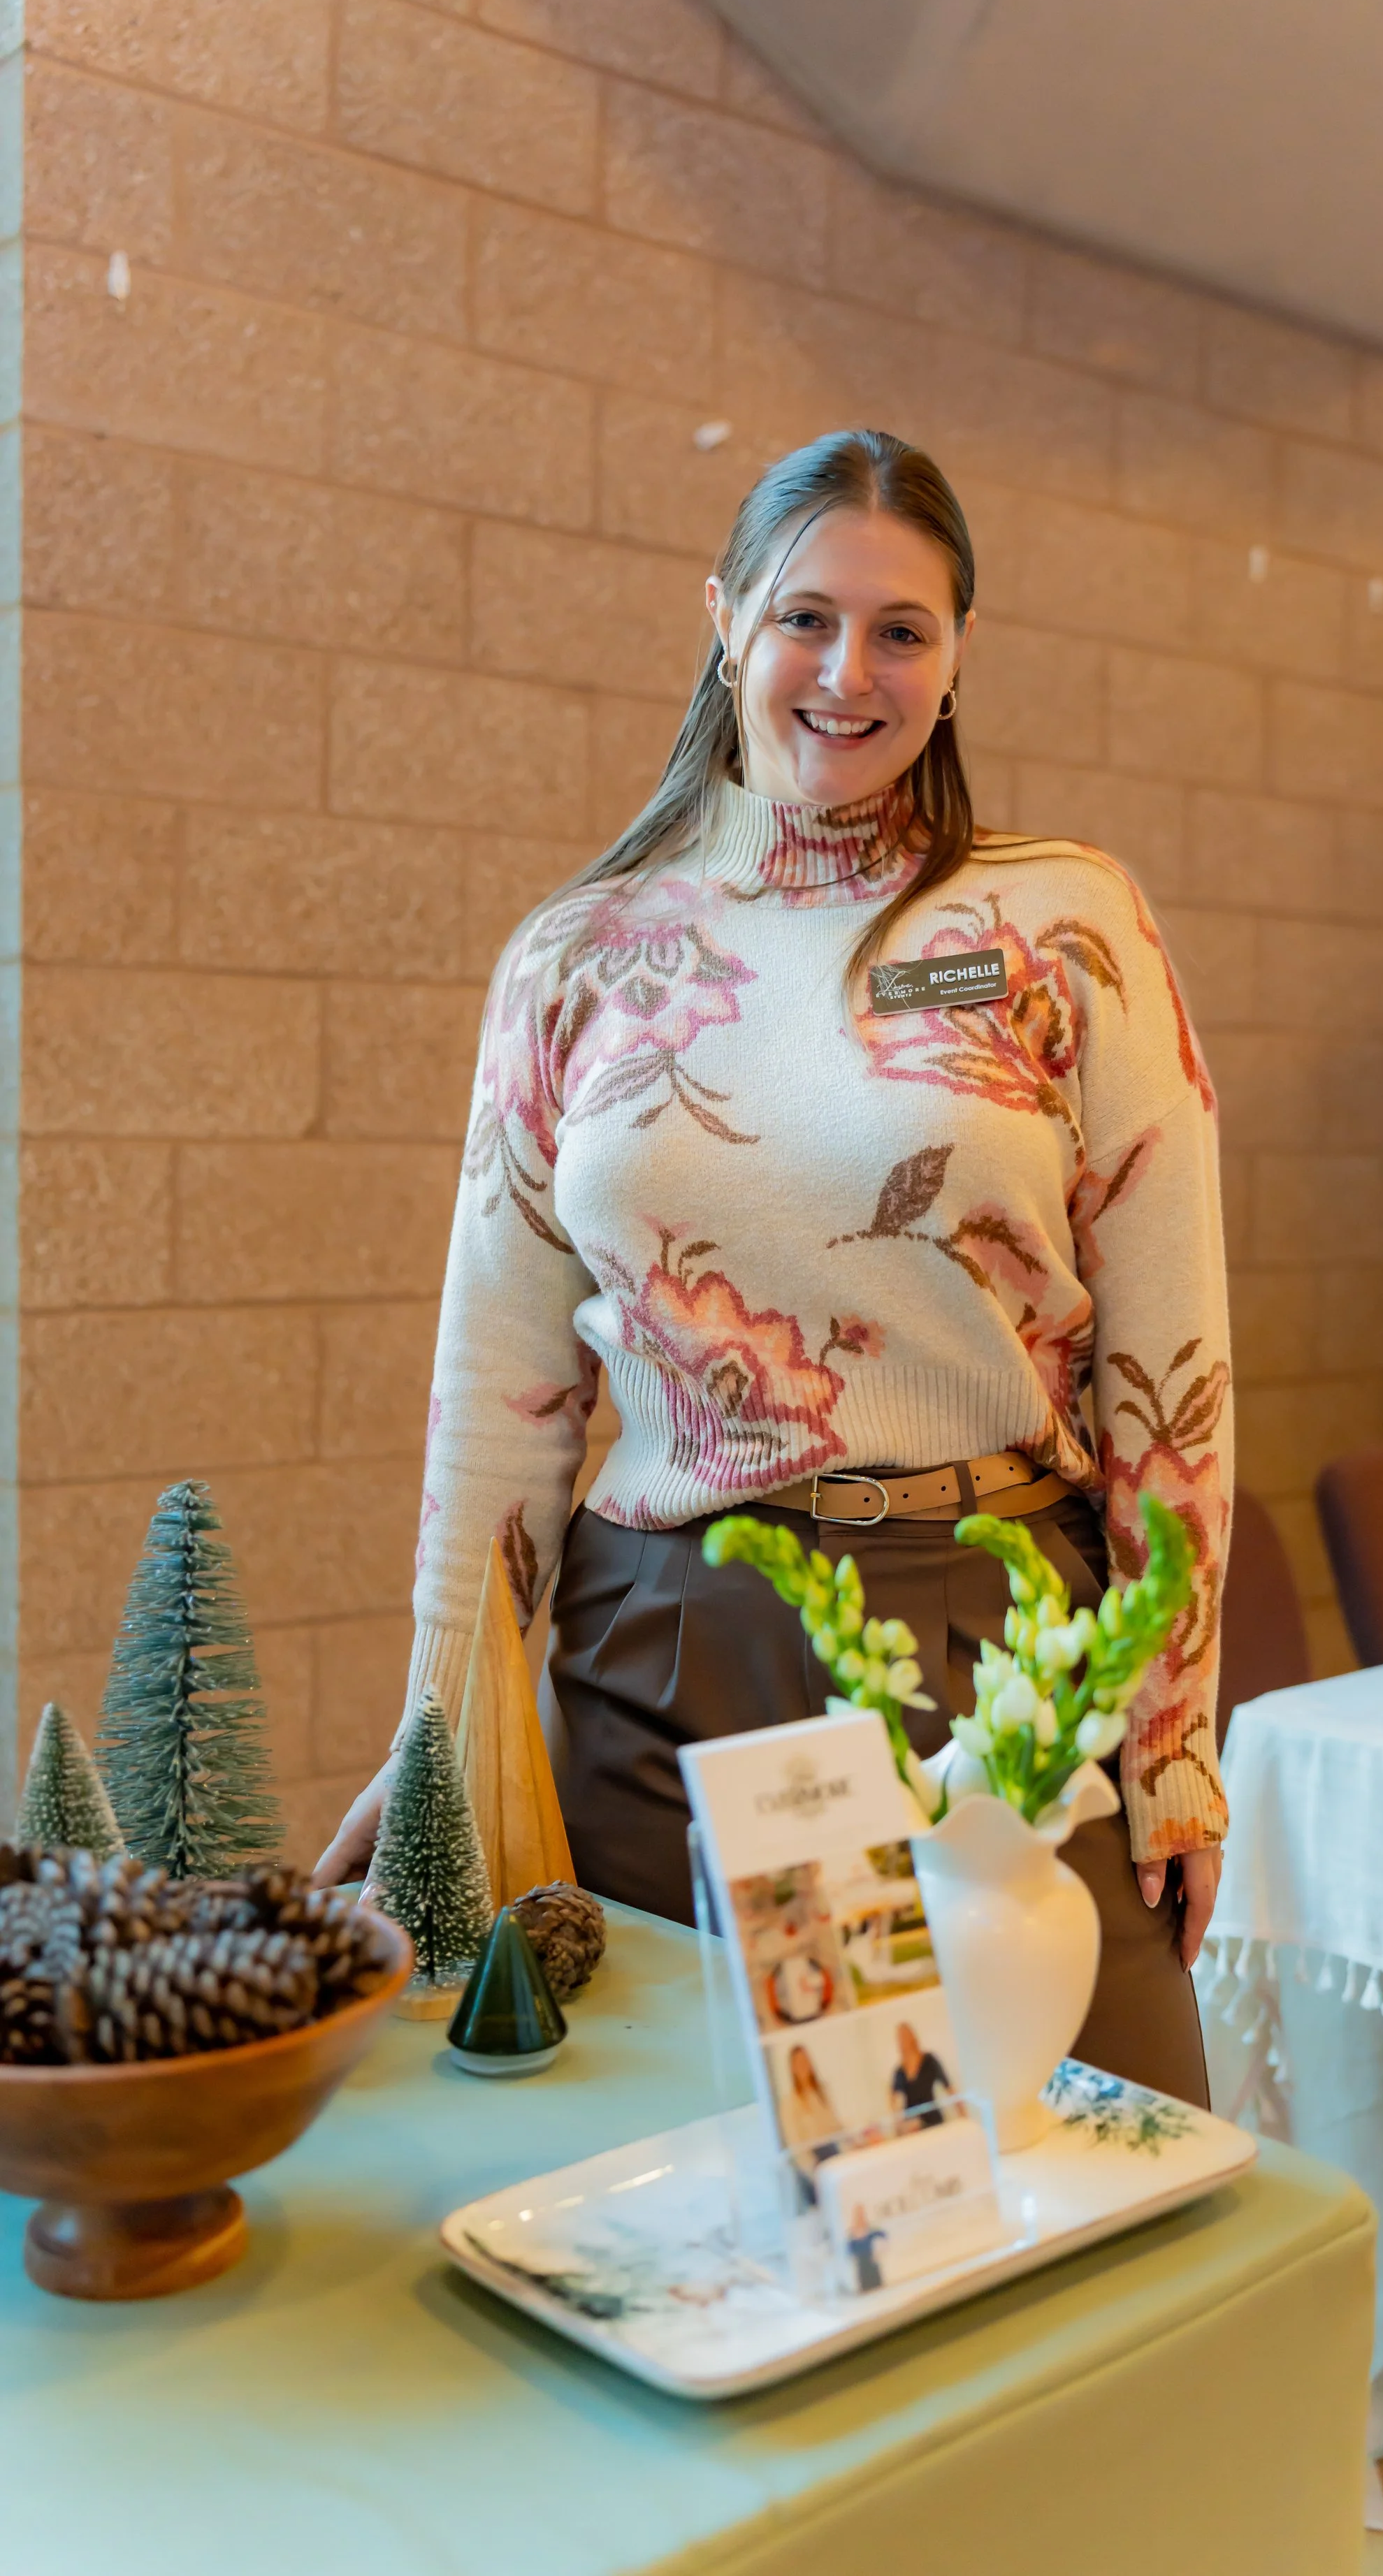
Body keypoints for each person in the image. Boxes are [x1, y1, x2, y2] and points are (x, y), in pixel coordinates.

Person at [314, 428, 1231, 2105]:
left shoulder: (1066, 926)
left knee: (1089, 2166)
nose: (848, 670)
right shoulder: (577, 956)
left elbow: (1172, 1370)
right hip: (669, 1657)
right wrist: (440, 1732)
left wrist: (1172, 1736)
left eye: (905, 629)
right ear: (726, 617)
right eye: (807, 616)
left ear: (957, 665)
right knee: (712, 2186)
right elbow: (504, 1387)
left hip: (1006, 1652)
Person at [775, 2042, 846, 2181]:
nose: (803, 2065)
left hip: (834, 2153)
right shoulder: (790, 2102)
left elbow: (834, 2125)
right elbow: (795, 2143)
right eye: (799, 2062)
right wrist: (813, 2170)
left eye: (805, 2060)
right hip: (815, 2162)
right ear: (792, 2068)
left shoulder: (822, 2092)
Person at [888, 2018, 953, 2127]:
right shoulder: (900, 2071)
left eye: (905, 2036)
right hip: (912, 2124)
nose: (903, 2041)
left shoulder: (930, 2061)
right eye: (901, 2038)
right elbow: (893, 2097)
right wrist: (899, 2121)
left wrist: (963, 2113)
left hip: (932, 2119)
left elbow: (948, 2087)